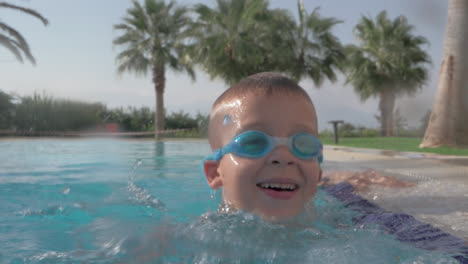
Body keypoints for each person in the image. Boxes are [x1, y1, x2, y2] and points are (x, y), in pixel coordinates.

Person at [202, 72, 323, 222]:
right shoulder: (193, 238)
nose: (283, 157)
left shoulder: (342, 226)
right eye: (254, 142)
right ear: (215, 174)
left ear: (318, 174)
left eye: (304, 144)